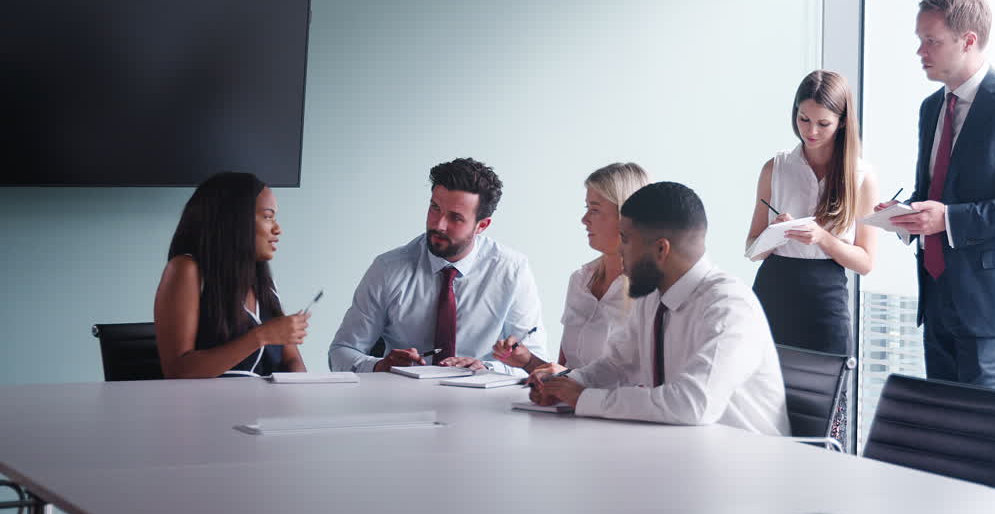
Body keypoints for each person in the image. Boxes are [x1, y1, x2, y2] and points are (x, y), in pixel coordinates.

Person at [879, 0, 995, 391]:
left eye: (932, 41)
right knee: (941, 421)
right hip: (937, 294)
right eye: (920, 40)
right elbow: (937, 191)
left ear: (968, 40)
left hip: (990, 304)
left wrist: (949, 219)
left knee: (977, 424)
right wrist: (907, 214)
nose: (920, 51)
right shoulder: (932, 108)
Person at [531, 182, 790, 436]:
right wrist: (568, 384)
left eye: (625, 240)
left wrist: (585, 399)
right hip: (681, 447)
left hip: (746, 456)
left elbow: (692, 404)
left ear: (660, 249)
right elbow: (618, 364)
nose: (619, 250)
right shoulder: (652, 297)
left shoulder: (728, 306)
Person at [328, 157, 547, 373]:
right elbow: (341, 352)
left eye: (455, 218)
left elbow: (537, 363)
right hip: (403, 392)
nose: (439, 225)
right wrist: (379, 366)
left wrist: (487, 368)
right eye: (435, 208)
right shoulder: (388, 268)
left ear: (482, 226)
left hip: (482, 392)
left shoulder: (512, 271)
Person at [746, 70, 878, 357]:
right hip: (773, 294)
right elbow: (752, 250)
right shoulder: (775, 168)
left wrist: (822, 238)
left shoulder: (861, 176)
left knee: (827, 383)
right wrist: (775, 234)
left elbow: (866, 263)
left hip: (826, 302)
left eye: (823, 123)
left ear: (842, 122)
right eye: (803, 119)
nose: (811, 131)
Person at [493, 162, 651, 372]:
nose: (584, 219)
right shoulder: (581, 280)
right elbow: (565, 370)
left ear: (626, 217)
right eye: (587, 209)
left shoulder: (651, 293)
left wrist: (570, 380)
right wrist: (527, 361)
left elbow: (645, 385)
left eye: (595, 210)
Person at [154, 172, 309, 378]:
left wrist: (295, 385)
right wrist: (261, 336)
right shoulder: (186, 269)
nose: (277, 229)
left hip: (266, 399)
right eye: (268, 216)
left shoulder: (262, 280)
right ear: (234, 220)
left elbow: (292, 359)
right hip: (210, 400)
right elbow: (177, 371)